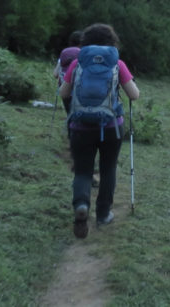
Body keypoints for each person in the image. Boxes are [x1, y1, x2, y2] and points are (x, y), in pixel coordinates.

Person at [59, 23, 140, 239]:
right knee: (108, 169)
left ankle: (82, 204)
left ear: (85, 42)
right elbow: (134, 95)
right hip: (111, 127)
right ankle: (103, 214)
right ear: (111, 42)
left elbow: (63, 94)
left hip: (80, 127)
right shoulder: (117, 63)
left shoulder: (77, 63)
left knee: (83, 171)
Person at [54, 30, 83, 115]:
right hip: (79, 90)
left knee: (70, 116)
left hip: (64, 88)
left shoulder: (64, 53)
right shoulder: (83, 54)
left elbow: (55, 74)